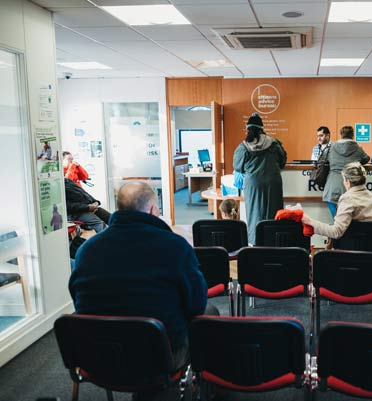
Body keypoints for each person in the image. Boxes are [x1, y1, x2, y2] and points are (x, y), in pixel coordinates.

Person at [70, 182, 212, 400]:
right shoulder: (175, 246)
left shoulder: (87, 250)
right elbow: (196, 304)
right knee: (209, 314)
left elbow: (78, 301)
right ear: (154, 210)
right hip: (160, 356)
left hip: (99, 355)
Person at [302, 162, 372, 260]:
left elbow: (336, 232)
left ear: (347, 181)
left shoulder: (348, 199)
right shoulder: (371, 196)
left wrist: (310, 222)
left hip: (352, 255)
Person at [233, 112, 287, 244]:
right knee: (274, 212)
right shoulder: (274, 143)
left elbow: (237, 166)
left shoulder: (243, 146)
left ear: (248, 129)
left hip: (253, 184)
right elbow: (283, 161)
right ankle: (274, 241)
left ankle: (256, 242)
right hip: (273, 182)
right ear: (262, 128)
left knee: (254, 214)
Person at [322, 126, 370, 217]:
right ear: (352, 135)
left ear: (341, 134)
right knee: (350, 222)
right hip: (351, 186)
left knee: (337, 222)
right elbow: (367, 158)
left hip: (333, 187)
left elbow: (324, 160)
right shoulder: (358, 149)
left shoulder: (332, 147)